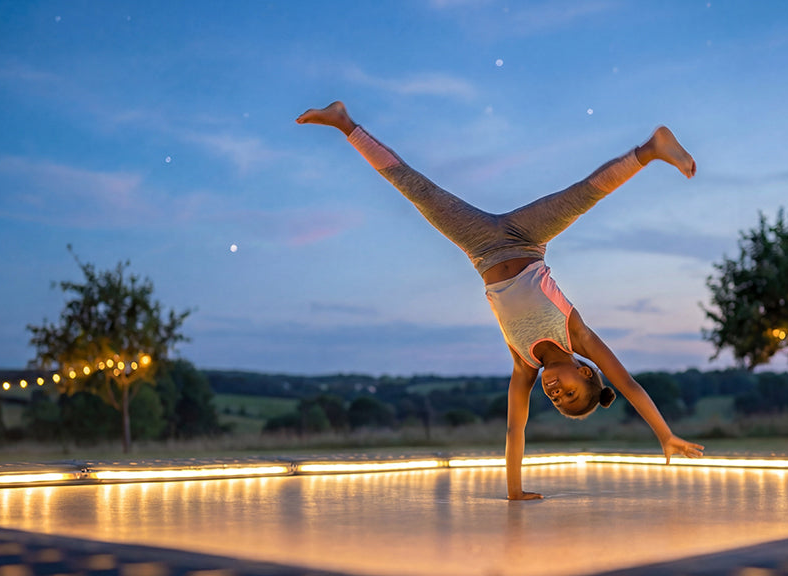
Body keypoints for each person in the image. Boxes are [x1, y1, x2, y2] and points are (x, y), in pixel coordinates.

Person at [297, 101, 704, 500]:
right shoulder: (578, 337)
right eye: (570, 393)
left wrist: (514, 491)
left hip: (479, 247)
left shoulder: (523, 366)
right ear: (584, 372)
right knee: (583, 195)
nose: (556, 393)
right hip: (527, 238)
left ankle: (344, 122)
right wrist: (665, 435)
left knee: (416, 190)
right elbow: (628, 385)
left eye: (557, 401)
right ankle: (652, 148)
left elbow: (514, 429)